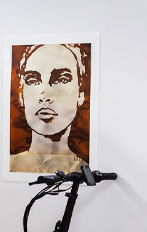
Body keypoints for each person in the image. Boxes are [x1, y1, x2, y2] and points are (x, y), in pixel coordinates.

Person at [10, 43, 90, 173]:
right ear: (21, 96)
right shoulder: (9, 166)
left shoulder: (85, 170)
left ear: (80, 95)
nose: (44, 95)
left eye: (62, 79)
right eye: (32, 80)